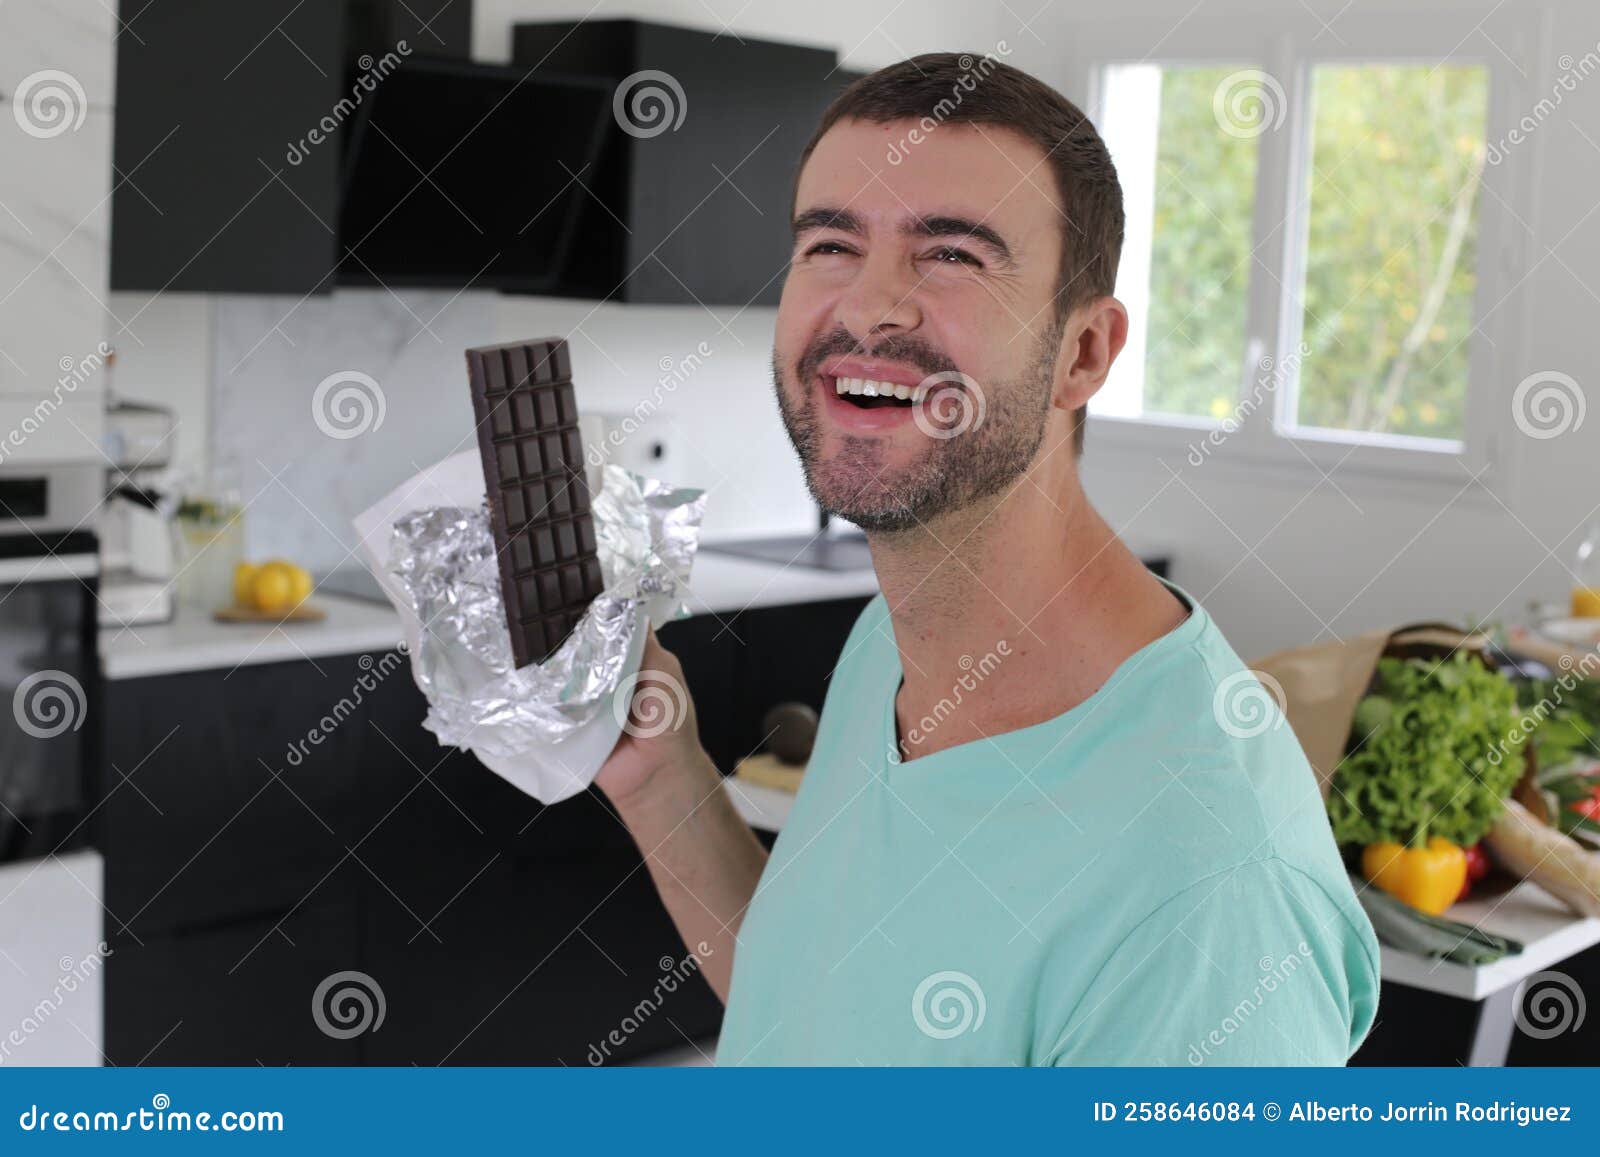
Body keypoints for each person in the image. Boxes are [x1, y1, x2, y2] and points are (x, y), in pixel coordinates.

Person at [596, 52, 1379, 1065]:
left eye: (951, 255)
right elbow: (816, 1019)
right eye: (831, 242)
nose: (870, 305)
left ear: (1084, 353)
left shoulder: (1209, 884)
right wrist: (664, 783)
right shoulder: (895, 639)